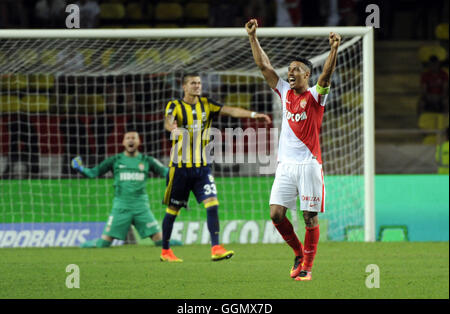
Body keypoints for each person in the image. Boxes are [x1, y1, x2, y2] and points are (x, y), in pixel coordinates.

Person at [245, 19, 341, 281]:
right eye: (289, 69)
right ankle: (299, 253)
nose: (290, 72)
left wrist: (333, 50)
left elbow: (326, 75)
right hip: (285, 165)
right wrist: (253, 37)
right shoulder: (284, 90)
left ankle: (308, 268)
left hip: (309, 164)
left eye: (296, 69)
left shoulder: (315, 96)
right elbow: (263, 66)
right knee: (276, 214)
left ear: (306, 75)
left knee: (309, 217)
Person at [161, 72, 272, 262]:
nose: (197, 86)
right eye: (193, 83)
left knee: (212, 203)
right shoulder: (175, 105)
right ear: (184, 87)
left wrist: (254, 115)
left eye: (199, 83)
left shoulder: (207, 104)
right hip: (180, 168)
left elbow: (231, 110)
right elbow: (168, 122)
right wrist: (174, 129)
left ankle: (216, 247)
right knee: (173, 209)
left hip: (202, 167)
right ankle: (165, 251)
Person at [71, 131, 182, 248]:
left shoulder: (147, 160)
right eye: (128, 138)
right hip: (121, 207)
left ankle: (176, 243)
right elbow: (94, 172)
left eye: (134, 138)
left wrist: (181, 172)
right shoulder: (115, 160)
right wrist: (81, 169)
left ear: (139, 142)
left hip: (141, 207)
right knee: (103, 244)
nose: (131, 140)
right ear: (123, 142)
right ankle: (83, 246)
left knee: (161, 242)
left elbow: (166, 172)